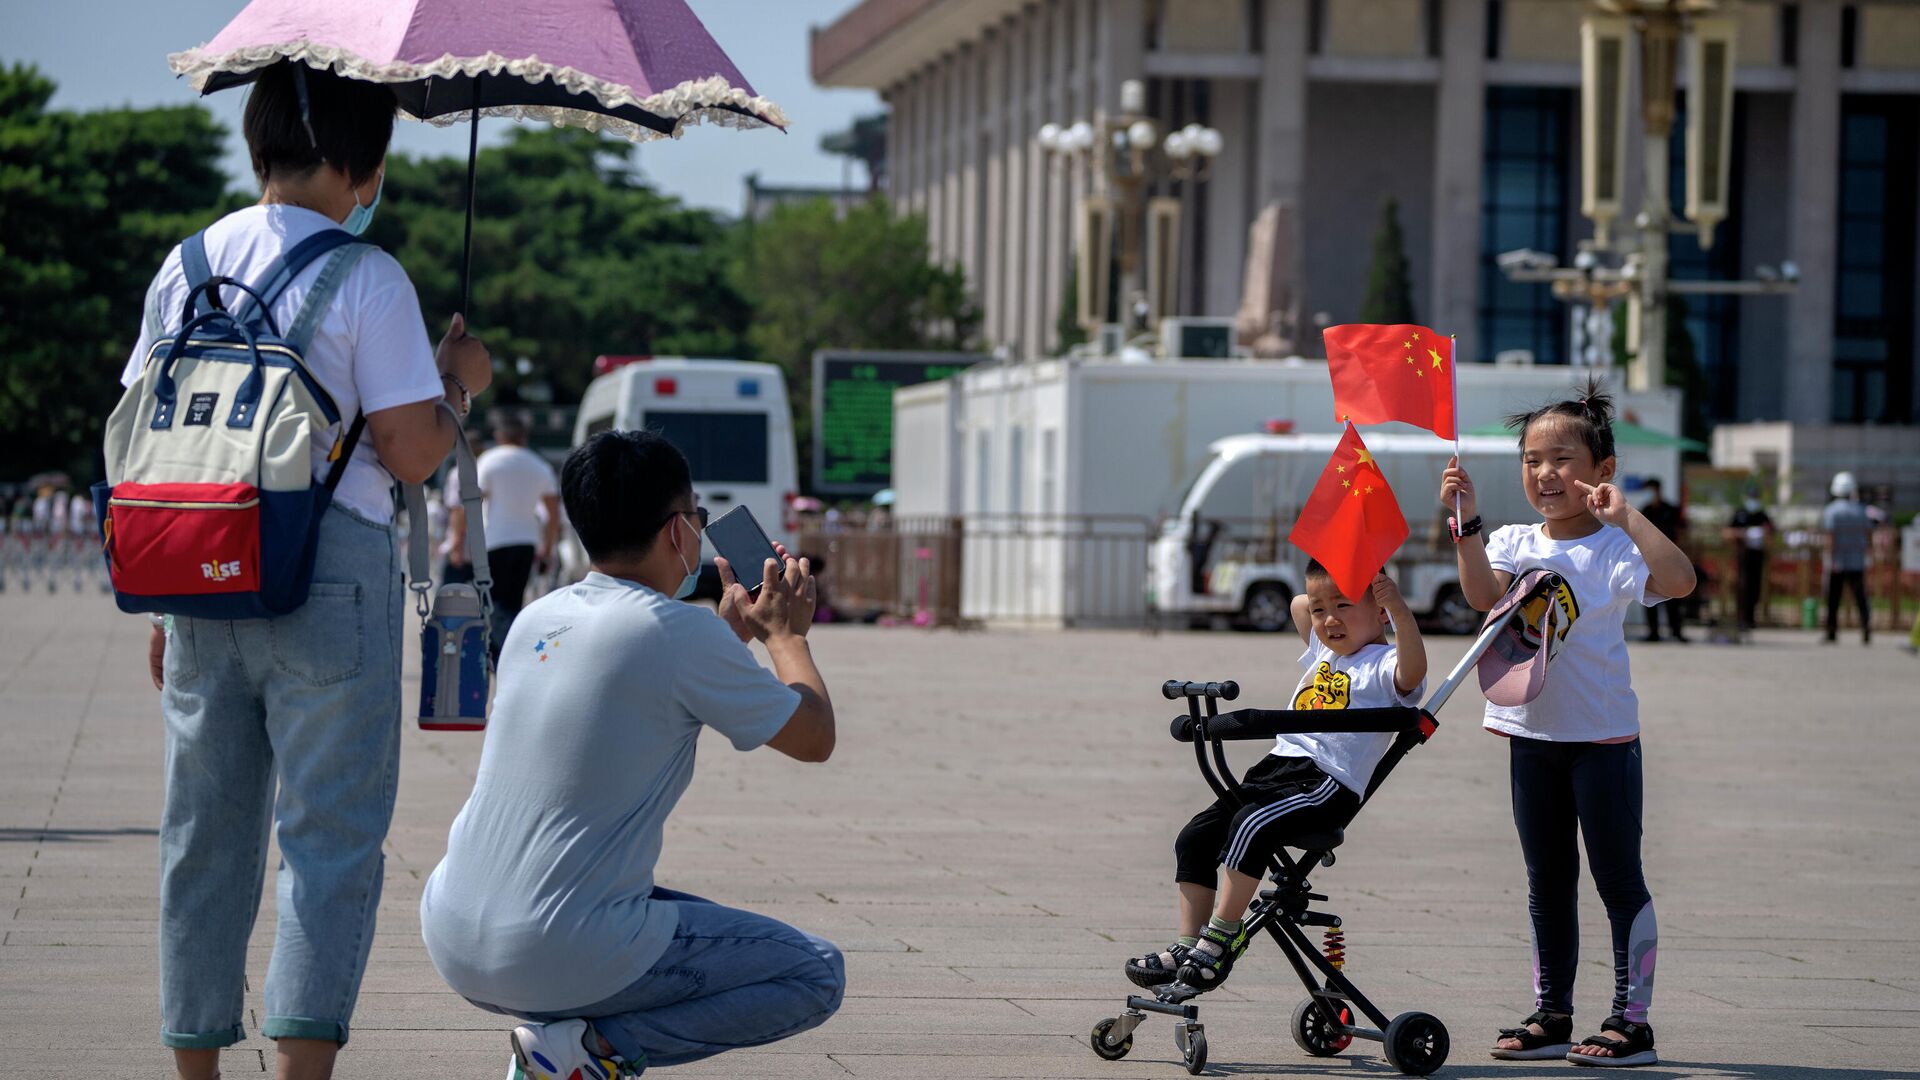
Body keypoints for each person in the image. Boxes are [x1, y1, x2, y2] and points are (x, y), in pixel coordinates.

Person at [129, 61, 492, 1080]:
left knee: (203, 839)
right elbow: (412, 450)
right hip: (332, 574)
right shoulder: (368, 277)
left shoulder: (184, 264)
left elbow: (150, 429)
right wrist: (458, 386)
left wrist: (163, 605)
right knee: (327, 842)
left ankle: (194, 1069)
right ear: (359, 166)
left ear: (259, 150)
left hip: (196, 566)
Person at [419, 429, 844, 1080]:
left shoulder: (539, 616)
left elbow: (637, 675)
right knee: (814, 972)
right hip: (553, 944)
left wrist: (726, 637)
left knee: (649, 909)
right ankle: (591, 1053)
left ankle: (558, 1039)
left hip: (452, 929)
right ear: (679, 531)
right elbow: (815, 738)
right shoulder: (679, 634)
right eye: (697, 517)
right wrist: (785, 636)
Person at [1438, 379, 1694, 1068]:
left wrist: (1629, 517)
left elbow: (1679, 582)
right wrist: (1465, 523)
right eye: (1531, 460)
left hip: (1603, 742)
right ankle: (1553, 1013)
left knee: (1617, 878)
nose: (1545, 473)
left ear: (1601, 470)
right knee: (1546, 880)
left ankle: (1631, 1022)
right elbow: (1484, 599)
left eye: (1561, 459)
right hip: (1531, 737)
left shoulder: (1614, 549)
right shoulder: (1518, 539)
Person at [1123, 562, 1427, 993]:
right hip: (1275, 768)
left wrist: (1395, 606)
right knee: (1195, 836)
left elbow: (1413, 672)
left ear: (1380, 611)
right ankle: (1187, 945)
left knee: (1252, 825)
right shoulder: (1327, 651)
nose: (1328, 620)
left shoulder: (1385, 662)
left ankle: (1222, 936)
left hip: (1324, 781)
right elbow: (1299, 602)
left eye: (1342, 605)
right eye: (1323, 611)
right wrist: (1330, 584)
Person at [447, 410, 558, 656]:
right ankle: (510, 651)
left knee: (493, 603)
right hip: (527, 542)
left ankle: (504, 655)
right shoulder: (539, 465)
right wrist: (548, 547)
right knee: (514, 601)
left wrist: (457, 541)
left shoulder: (489, 460)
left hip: (494, 541)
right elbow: (553, 513)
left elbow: (470, 504)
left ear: (499, 436)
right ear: (524, 437)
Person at [1822, 471, 1873, 645]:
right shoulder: (1861, 510)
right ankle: (1866, 628)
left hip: (1838, 561)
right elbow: (1868, 534)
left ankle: (1831, 631)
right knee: (1861, 597)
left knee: (1833, 598)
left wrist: (1829, 558)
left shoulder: (1831, 511)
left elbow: (1830, 537)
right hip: (1857, 560)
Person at [1635, 479, 1687, 643]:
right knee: (1651, 593)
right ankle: (1653, 632)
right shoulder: (1646, 510)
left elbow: (1682, 531)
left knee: (1674, 594)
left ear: (1658, 490)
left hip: (1670, 557)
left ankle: (1676, 631)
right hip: (1650, 558)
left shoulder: (1671, 509)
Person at [1723, 489, 1773, 630]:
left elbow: (1771, 532)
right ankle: (1740, 618)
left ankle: (1750, 619)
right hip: (1742, 555)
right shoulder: (1739, 513)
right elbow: (1727, 532)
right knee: (1742, 586)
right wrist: (1742, 534)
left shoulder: (1762, 515)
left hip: (1757, 555)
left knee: (1755, 587)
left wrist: (1763, 534)